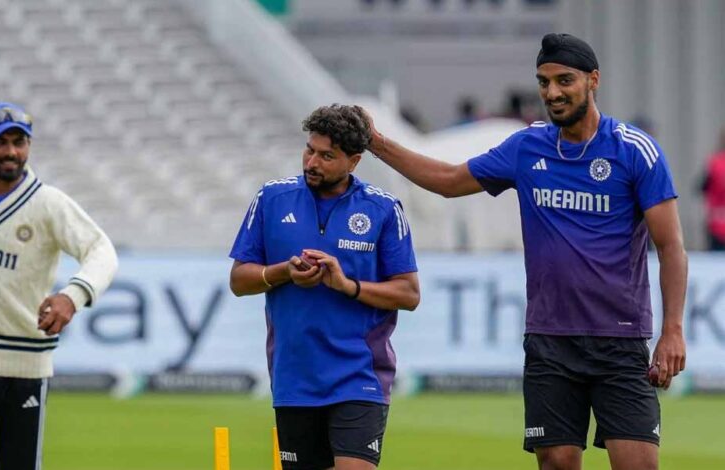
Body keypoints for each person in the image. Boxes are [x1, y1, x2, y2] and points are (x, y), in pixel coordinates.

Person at [363, 33, 687, 470]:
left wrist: (672, 330)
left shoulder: (634, 150)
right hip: (550, 340)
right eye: (544, 82)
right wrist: (376, 143)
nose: (552, 92)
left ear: (593, 80)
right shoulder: (526, 147)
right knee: (556, 462)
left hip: (620, 340)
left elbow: (671, 246)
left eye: (564, 80)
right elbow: (448, 181)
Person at [229, 104, 420, 470]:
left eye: (327, 156)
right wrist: (285, 271)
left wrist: (347, 285)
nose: (312, 162)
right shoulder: (271, 198)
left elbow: (409, 294)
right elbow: (239, 281)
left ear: (354, 161)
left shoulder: (382, 208)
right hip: (293, 377)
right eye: (310, 150)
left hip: (359, 375)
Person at [0, 102, 118, 470]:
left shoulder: (48, 203)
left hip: (26, 362)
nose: (11, 151)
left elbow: (101, 251)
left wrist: (73, 295)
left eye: (19, 142)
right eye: (0, 142)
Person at [701, 127, 725, 250]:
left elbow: (702, 187)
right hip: (716, 225)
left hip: (716, 224)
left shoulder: (714, 163)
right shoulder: (715, 163)